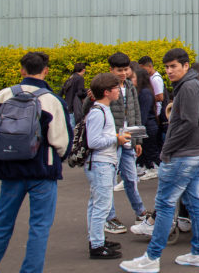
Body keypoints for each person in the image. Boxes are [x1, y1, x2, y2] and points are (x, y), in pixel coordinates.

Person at [0, 52, 73, 273]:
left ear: (21, 70)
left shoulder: (2, 96)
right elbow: (60, 141)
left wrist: (5, 153)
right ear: (46, 70)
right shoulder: (51, 100)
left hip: (10, 169)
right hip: (42, 170)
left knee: (2, 223)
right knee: (39, 227)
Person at [120, 48, 199, 272]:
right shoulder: (192, 84)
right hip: (194, 152)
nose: (169, 71)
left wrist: (166, 149)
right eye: (167, 67)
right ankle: (198, 253)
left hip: (183, 155)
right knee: (194, 202)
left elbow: (189, 123)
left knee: (165, 204)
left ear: (186, 66)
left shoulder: (188, 87)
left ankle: (152, 258)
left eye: (173, 66)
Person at [85, 73, 132, 260]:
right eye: (116, 88)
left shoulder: (102, 110)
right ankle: (96, 245)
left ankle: (96, 239)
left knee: (95, 203)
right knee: (101, 206)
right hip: (101, 163)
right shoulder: (98, 112)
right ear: (106, 92)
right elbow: (94, 140)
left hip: (102, 163)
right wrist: (116, 139)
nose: (119, 92)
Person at [105, 52, 148, 234]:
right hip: (112, 140)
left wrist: (138, 139)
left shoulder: (130, 86)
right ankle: (109, 217)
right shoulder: (105, 87)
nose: (123, 73)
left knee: (131, 178)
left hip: (129, 138)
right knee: (109, 180)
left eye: (125, 69)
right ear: (111, 70)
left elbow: (136, 112)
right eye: (119, 70)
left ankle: (140, 211)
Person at [131, 66, 160, 180]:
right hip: (146, 126)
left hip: (148, 126)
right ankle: (146, 167)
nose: (131, 80)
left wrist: (137, 129)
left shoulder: (145, 93)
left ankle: (156, 168)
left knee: (151, 150)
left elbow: (143, 113)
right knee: (145, 150)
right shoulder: (142, 91)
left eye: (133, 77)